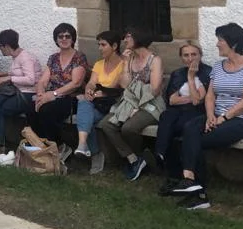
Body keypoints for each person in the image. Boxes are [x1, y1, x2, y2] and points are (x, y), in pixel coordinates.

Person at [172, 22, 243, 210]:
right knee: (190, 128)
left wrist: (224, 117)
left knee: (198, 141)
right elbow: (210, 95)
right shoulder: (218, 66)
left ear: (234, 43)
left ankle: (198, 192)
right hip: (215, 116)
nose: (217, 44)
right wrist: (209, 116)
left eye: (220, 40)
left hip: (242, 120)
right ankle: (190, 180)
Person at [97, 27, 165, 181]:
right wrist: (126, 62)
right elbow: (124, 84)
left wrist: (137, 107)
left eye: (128, 37)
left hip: (150, 104)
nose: (125, 40)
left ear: (138, 38)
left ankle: (141, 156)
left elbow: (154, 89)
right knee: (106, 124)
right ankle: (133, 158)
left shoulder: (155, 60)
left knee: (128, 128)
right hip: (130, 102)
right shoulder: (130, 59)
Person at [0, 29, 42, 159]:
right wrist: (4, 74)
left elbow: (30, 79)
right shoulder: (16, 57)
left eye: (0, 46)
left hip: (28, 96)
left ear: (6, 46)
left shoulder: (25, 58)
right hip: (18, 92)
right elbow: (18, 73)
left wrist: (9, 78)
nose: (0, 49)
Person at [156, 43, 212, 192]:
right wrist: (190, 98)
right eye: (186, 55)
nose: (190, 58)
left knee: (173, 131)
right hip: (177, 111)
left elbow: (198, 101)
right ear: (181, 58)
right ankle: (161, 154)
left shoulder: (208, 73)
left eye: (194, 54)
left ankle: (169, 167)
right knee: (166, 116)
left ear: (200, 55)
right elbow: (171, 100)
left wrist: (191, 78)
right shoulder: (177, 74)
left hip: (197, 114)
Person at [71, 31, 126, 173]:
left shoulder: (124, 64)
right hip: (97, 103)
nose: (100, 48)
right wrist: (89, 90)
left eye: (103, 45)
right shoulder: (99, 64)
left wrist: (104, 92)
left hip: (113, 105)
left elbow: (114, 86)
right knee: (84, 104)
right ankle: (84, 146)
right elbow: (91, 83)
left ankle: (91, 151)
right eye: (99, 45)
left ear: (114, 46)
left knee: (85, 115)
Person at [33, 23, 89, 155]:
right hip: (51, 96)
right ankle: (42, 145)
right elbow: (42, 81)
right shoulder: (53, 58)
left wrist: (53, 94)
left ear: (73, 39)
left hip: (70, 97)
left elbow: (76, 83)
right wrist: (41, 95)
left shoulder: (79, 57)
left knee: (46, 110)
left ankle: (59, 146)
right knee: (31, 109)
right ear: (56, 39)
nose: (64, 39)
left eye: (67, 36)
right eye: (60, 36)